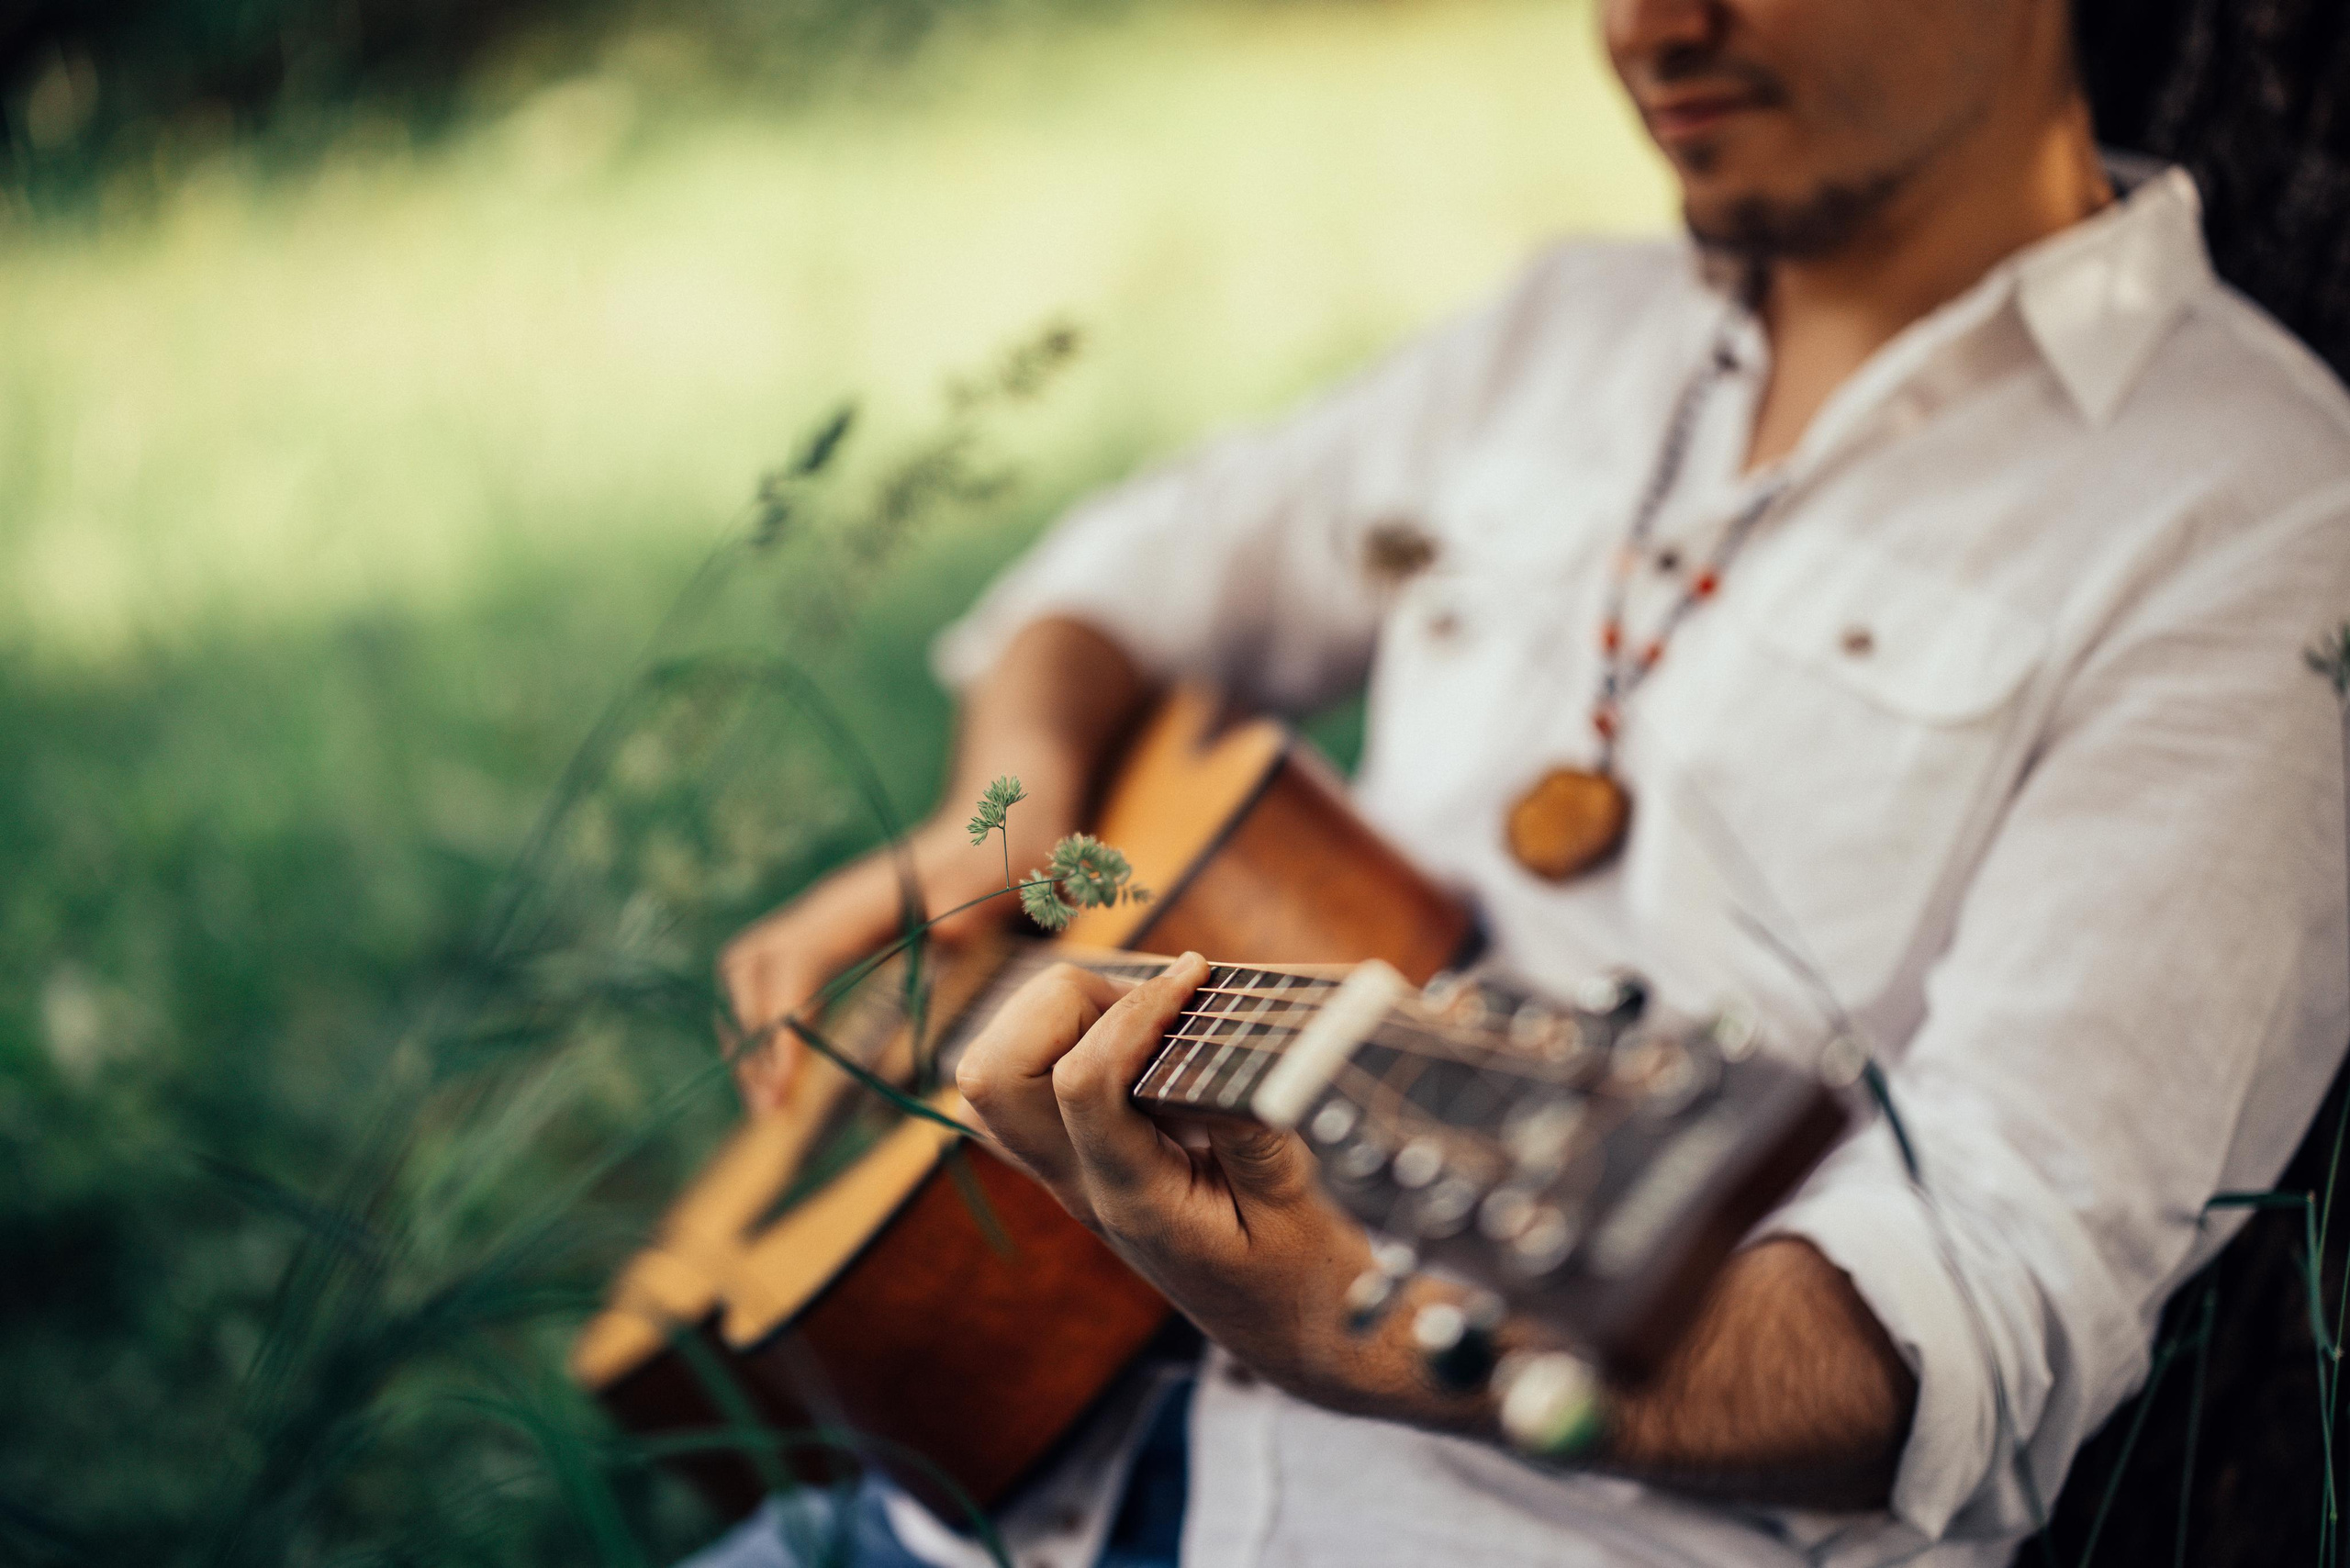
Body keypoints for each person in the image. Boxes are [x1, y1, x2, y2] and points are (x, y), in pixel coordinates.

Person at [702, 0, 2350, 1563]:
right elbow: (1109, 586)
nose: (1646, 26)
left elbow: (1989, 1312)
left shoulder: (2260, 521)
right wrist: (1003, 830)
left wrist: (1393, 1338)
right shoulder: (1565, 331)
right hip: (962, 1492)